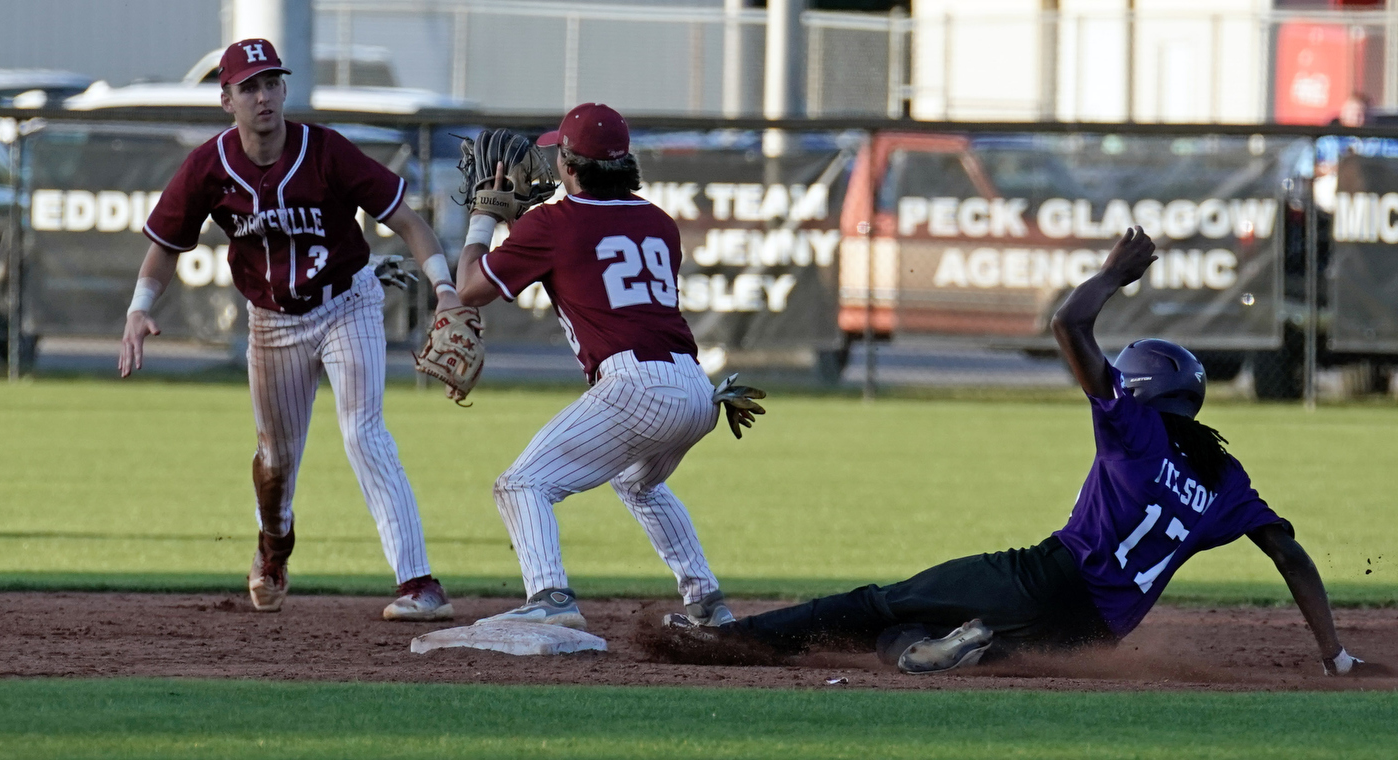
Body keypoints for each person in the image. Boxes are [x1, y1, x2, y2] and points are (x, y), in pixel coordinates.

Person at [672, 227, 1368, 678]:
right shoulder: (1223, 478)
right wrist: (1333, 653)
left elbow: (1070, 323)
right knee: (937, 638)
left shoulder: (1135, 427)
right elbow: (1289, 553)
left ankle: (732, 642)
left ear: (1143, 389)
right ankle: (934, 653)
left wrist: (1114, 275)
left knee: (877, 602)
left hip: (1047, 577)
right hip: (1096, 630)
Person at [118, 39, 457, 621]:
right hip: (272, 323)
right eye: (248, 86)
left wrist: (445, 290)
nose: (263, 95)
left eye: (271, 82)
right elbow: (165, 246)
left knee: (364, 434)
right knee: (276, 459)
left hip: (347, 301)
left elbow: (406, 220)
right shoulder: (209, 165)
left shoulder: (324, 151)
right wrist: (138, 306)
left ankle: (418, 582)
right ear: (226, 99)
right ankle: (273, 547)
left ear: (284, 90)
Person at [450, 103, 754, 631]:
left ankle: (549, 597)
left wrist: (485, 216)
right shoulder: (659, 222)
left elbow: (470, 287)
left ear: (569, 165)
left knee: (521, 485)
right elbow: (584, 247)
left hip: (637, 386)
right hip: (697, 389)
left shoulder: (553, 222)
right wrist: (524, 221)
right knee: (639, 485)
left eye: (556, 158)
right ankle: (706, 600)